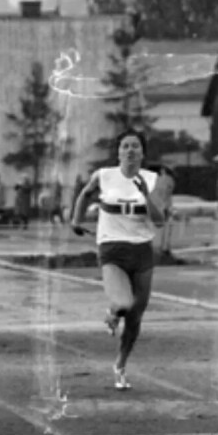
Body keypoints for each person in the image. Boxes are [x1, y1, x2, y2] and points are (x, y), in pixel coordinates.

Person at [70, 129, 165, 390]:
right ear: (118, 151)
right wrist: (76, 220)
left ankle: (120, 364)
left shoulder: (153, 179)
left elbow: (160, 221)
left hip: (142, 251)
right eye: (125, 146)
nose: (130, 150)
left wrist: (146, 195)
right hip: (111, 248)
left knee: (135, 317)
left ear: (143, 152)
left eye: (135, 146)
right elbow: (84, 194)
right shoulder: (104, 176)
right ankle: (113, 311)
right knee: (123, 303)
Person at [150, 165, 177, 260]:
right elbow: (167, 195)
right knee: (163, 229)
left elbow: (166, 195)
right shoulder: (166, 180)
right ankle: (163, 249)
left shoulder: (156, 180)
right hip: (161, 208)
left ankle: (161, 250)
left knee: (160, 229)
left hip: (158, 208)